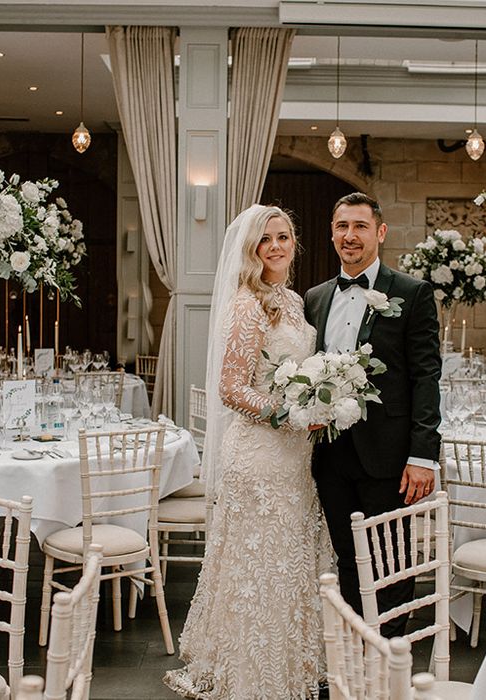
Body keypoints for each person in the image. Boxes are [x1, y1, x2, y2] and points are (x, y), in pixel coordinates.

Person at [164, 204, 333, 699]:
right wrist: (285, 412)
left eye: (283, 237)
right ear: (252, 249)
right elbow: (231, 388)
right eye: (267, 240)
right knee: (257, 563)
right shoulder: (246, 304)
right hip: (259, 455)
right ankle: (250, 671)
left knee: (288, 562)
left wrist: (313, 403)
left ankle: (289, 664)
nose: (276, 246)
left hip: (295, 458)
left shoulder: (295, 302)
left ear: (293, 243)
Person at [304, 192, 442, 638]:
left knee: (393, 561)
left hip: (390, 458)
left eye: (360, 226)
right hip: (331, 457)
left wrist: (423, 455)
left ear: (380, 233)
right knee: (347, 559)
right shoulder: (315, 298)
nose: (350, 236)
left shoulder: (412, 293)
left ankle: (391, 658)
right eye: (342, 226)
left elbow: (426, 377)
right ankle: (356, 658)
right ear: (332, 234)